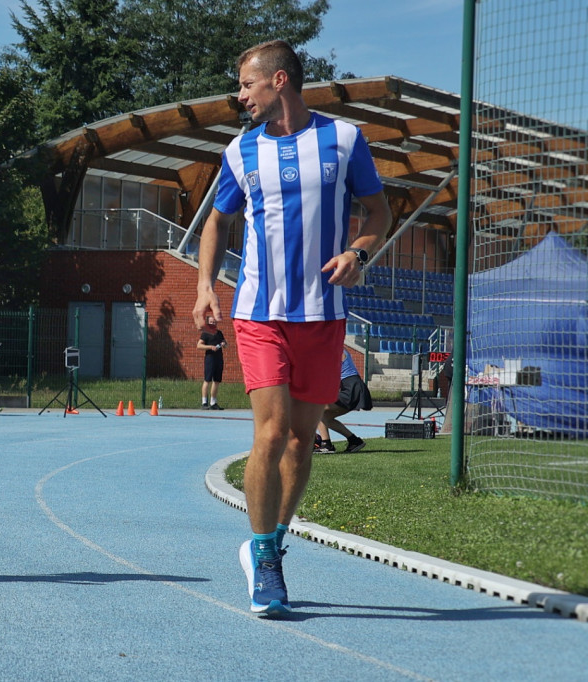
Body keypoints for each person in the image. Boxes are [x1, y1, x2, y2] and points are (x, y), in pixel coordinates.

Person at [191, 40, 391, 615]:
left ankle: (271, 544)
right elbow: (217, 222)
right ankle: (265, 558)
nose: (239, 95)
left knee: (304, 440)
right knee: (272, 433)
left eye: (245, 84)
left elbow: (379, 213)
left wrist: (359, 252)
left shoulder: (345, 139)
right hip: (260, 312)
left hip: (324, 314)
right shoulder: (240, 150)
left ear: (279, 81)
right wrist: (206, 285)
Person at [315, 350, 372, 453]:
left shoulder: (336, 350)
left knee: (317, 409)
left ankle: (326, 445)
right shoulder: (334, 349)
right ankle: (354, 441)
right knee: (325, 417)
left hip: (352, 387)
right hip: (350, 387)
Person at [197, 315, 226, 410]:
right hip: (210, 358)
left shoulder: (219, 333)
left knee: (217, 380)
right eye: (211, 322)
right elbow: (199, 345)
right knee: (207, 380)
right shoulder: (205, 333)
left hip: (219, 358)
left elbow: (225, 343)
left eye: (214, 322)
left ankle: (213, 402)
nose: (213, 323)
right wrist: (210, 347)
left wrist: (223, 344)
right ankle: (204, 402)